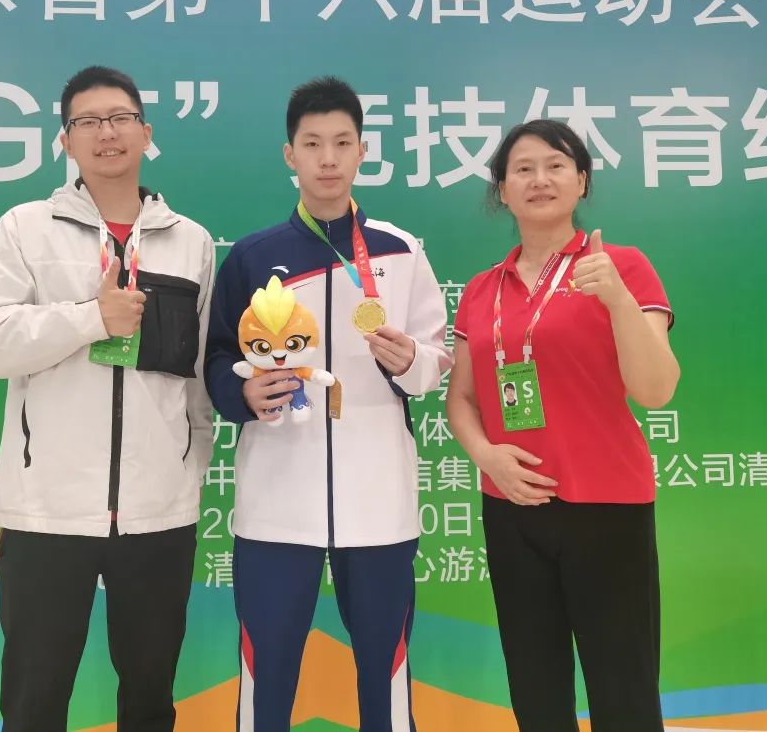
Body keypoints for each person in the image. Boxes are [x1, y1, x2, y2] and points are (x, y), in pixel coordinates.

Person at [0, 65, 214, 732]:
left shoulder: (189, 240)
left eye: (121, 118)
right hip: (47, 513)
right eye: (88, 122)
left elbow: (195, 372)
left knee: (150, 700)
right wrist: (91, 319)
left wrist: (186, 471)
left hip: (159, 512)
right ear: (66, 141)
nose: (107, 133)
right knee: (34, 701)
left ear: (146, 133)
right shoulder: (25, 228)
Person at [204, 76, 452, 732]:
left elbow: (437, 358)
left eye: (342, 142)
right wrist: (241, 391)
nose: (328, 158)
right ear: (290, 154)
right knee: (267, 676)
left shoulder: (401, 251)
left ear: (362, 151)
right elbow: (216, 357)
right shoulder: (254, 257)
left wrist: (410, 362)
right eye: (312, 144)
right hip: (276, 503)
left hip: (379, 504)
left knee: (384, 673)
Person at [446, 119, 680, 732]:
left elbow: (656, 390)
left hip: (607, 503)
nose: (539, 179)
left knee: (623, 690)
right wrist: (487, 457)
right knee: (536, 691)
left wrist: (617, 300)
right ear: (502, 190)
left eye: (555, 165)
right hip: (512, 506)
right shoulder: (481, 290)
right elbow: (461, 399)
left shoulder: (622, 267)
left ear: (581, 181)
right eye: (522, 169)